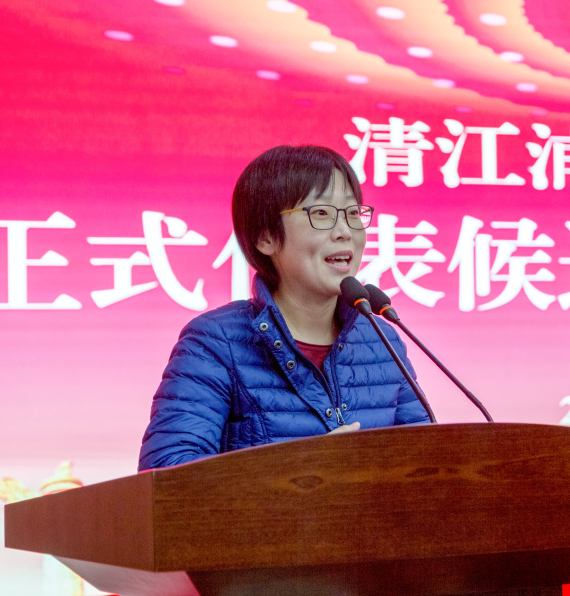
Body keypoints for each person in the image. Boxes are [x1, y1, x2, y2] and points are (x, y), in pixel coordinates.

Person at [138, 145, 431, 470]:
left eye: (352, 213)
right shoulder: (215, 342)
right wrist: (303, 472)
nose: (345, 232)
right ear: (265, 236)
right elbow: (165, 473)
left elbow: (425, 464)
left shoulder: (382, 341)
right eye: (321, 213)